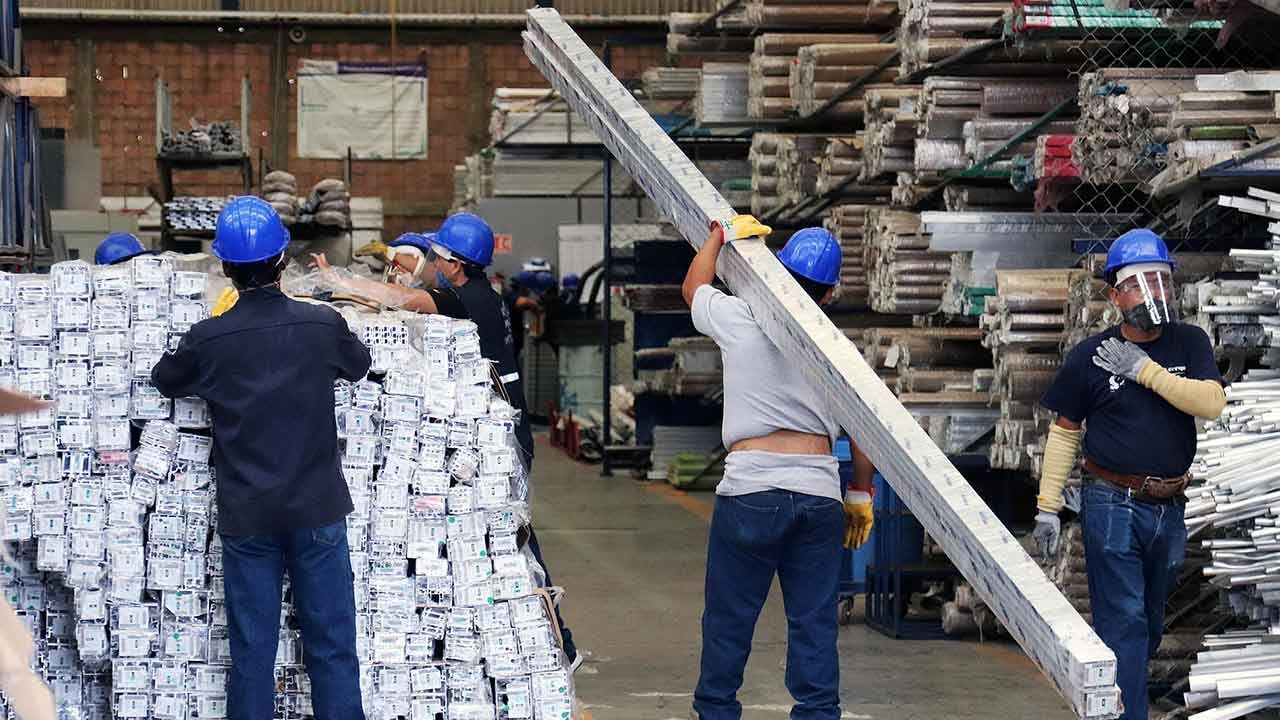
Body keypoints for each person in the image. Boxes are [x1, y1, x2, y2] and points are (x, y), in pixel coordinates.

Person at [312, 212, 581, 668]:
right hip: (502, 424)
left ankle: (559, 644)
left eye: (437, 257)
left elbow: (404, 297)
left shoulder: (464, 299)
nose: (432, 263)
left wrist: (335, 282)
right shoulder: (480, 292)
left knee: (512, 540)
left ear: (454, 264)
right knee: (502, 535)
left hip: (502, 435)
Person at [151, 196, 371, 720]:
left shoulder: (210, 338)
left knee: (252, 653)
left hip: (248, 515)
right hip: (317, 509)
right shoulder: (321, 325)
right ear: (280, 261)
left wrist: (215, 325)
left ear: (226, 267)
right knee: (333, 646)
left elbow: (166, 378)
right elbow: (359, 365)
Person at [682, 217, 875, 720]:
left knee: (729, 619)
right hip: (817, 493)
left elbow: (693, 287)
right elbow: (865, 430)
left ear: (780, 274)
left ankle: (717, 712)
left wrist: (717, 237)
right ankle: (817, 712)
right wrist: (859, 493)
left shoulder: (741, 317)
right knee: (813, 623)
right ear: (831, 293)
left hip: (751, 489)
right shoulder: (839, 348)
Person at [1033, 228, 1225, 720]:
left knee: (1149, 622)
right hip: (1113, 501)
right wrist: (1048, 507)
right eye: (1139, 284)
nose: (1153, 293)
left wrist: (1146, 371)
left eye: (1161, 281)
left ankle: (1115, 702)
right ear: (1115, 295)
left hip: (1169, 506)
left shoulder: (1190, 341)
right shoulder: (1091, 358)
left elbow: (1211, 403)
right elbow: (1064, 431)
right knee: (1126, 622)